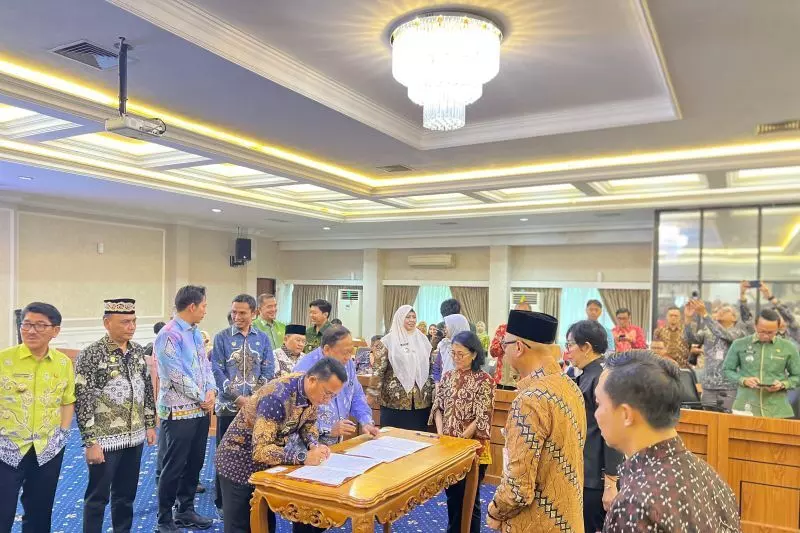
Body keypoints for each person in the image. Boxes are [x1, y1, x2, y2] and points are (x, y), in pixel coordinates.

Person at [595, 351, 741, 532]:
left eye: (599, 403)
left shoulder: (634, 505)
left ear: (626, 415)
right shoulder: (710, 477)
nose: (596, 414)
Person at [215, 357, 347, 533]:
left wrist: (314, 445)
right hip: (238, 463)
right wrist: (303, 457)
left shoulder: (310, 392)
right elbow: (261, 451)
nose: (328, 400)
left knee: (264, 525)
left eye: (333, 396)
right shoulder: (276, 398)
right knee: (241, 527)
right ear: (312, 380)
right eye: (327, 393)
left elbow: (308, 426)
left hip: (267, 468)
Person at [486, 311, 586, 532]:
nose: (503, 350)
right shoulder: (570, 387)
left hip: (536, 523)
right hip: (569, 518)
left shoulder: (530, 400)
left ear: (518, 347)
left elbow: (518, 489)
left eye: (505, 344)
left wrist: (495, 511)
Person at [75, 298, 158, 533]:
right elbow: (83, 400)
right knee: (98, 497)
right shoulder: (92, 354)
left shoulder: (137, 351)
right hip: (104, 440)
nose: (131, 327)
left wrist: (150, 424)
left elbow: (146, 389)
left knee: (126, 495)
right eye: (124, 322)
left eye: (133, 321)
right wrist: (90, 442)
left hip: (135, 436)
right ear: (107, 323)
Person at [0, 302, 75, 533]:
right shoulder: (4, 360)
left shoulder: (62, 363)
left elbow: (67, 400)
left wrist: (62, 435)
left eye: (40, 325)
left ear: (55, 330)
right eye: (27, 325)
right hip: (7, 447)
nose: (31, 331)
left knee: (40, 513)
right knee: (3, 511)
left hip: (47, 448)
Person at [155, 285, 217, 532]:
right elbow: (175, 374)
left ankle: (185, 510)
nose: (205, 311)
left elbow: (205, 366)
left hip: (201, 409)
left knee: (194, 463)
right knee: (174, 466)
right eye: (204, 306)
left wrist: (211, 391)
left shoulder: (195, 332)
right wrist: (202, 396)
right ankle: (164, 518)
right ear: (192, 306)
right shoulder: (169, 334)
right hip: (178, 411)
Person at [211, 294, 275, 518]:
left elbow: (268, 370)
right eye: (234, 312)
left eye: (242, 313)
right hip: (229, 408)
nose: (237, 316)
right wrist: (237, 398)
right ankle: (222, 502)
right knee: (225, 454)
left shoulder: (263, 339)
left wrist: (254, 400)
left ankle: (253, 496)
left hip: (256, 410)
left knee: (254, 453)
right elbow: (217, 371)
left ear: (253, 314)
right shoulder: (221, 338)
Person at [430, 331, 494, 533]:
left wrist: (462, 440)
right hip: (448, 446)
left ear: (474, 354)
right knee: (452, 496)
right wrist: (442, 434)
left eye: (461, 354)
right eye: (453, 353)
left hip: (471, 449)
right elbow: (438, 407)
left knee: (469, 499)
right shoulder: (448, 376)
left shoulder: (484, 380)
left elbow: (482, 415)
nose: (456, 358)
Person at [564, 320, 623, 533]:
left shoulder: (602, 378)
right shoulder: (585, 373)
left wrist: (610, 483)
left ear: (586, 347)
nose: (567, 351)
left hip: (595, 477)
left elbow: (613, 435)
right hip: (584, 471)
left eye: (570, 344)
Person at [294, 326, 379, 445]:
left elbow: (356, 394)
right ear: (327, 349)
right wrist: (328, 429)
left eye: (351, 352)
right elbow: (295, 418)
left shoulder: (347, 363)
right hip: (307, 445)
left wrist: (366, 421)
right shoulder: (304, 370)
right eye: (345, 352)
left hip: (336, 442)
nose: (348, 357)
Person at [723, 308, 800, 418]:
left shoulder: (788, 347)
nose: (766, 335)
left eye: (771, 332)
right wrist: (743, 380)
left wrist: (783, 384)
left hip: (777, 410)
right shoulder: (739, 344)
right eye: (762, 331)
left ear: (778, 328)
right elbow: (727, 370)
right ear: (755, 326)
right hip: (746, 407)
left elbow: (797, 376)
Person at [370, 306, 435, 431]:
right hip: (394, 402)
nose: (412, 320)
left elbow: (430, 367)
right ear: (399, 318)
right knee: (392, 437)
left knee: (417, 438)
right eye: (407, 317)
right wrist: (372, 393)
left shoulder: (423, 340)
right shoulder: (386, 341)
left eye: (414, 317)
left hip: (420, 402)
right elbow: (378, 370)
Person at [686, 300, 749, 411]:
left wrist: (705, 314)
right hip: (709, 386)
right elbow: (691, 339)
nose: (721, 311)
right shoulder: (708, 331)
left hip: (728, 387)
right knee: (708, 418)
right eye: (720, 310)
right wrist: (688, 319)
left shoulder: (739, 332)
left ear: (734, 318)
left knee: (726, 418)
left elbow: (725, 335)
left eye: (726, 311)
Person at [489, 302, 530, 390]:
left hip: (522, 384)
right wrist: (503, 343)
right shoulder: (503, 329)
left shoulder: (532, 333)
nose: (520, 316)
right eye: (517, 313)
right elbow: (492, 352)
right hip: (501, 381)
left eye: (525, 314)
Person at [433, 313, 471, 382]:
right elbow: (437, 367)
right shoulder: (444, 344)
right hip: (443, 384)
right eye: (444, 327)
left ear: (455, 327)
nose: (445, 330)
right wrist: (437, 382)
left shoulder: (468, 348)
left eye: (447, 327)